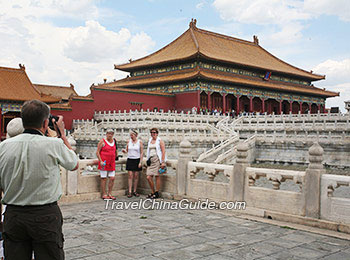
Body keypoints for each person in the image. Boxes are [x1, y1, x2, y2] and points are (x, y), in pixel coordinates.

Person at [0, 99, 78, 260]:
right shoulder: (53, 144)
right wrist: (62, 136)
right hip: (45, 215)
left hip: (13, 215)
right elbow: (74, 164)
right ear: (45, 122)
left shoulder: (3, 147)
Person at [96, 129, 117, 200]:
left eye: (111, 134)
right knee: (104, 178)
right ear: (106, 134)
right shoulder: (102, 141)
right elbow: (97, 152)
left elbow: (115, 150)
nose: (110, 135)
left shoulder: (114, 141)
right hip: (104, 162)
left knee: (112, 178)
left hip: (111, 162)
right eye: (108, 133)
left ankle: (110, 193)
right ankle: (104, 193)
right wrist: (100, 160)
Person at [146, 128, 166, 199]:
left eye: (154, 133)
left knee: (157, 176)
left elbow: (163, 151)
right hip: (151, 160)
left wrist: (162, 162)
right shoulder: (149, 141)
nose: (153, 134)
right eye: (151, 133)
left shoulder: (160, 141)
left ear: (157, 133)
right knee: (148, 177)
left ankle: (156, 192)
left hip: (157, 159)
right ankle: (153, 191)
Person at [122, 129, 143, 198]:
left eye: (132, 135)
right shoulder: (128, 141)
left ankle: (135, 190)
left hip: (137, 159)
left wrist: (140, 162)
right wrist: (124, 151)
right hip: (130, 159)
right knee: (130, 175)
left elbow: (141, 152)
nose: (131, 136)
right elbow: (127, 150)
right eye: (130, 135)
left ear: (136, 135)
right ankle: (130, 191)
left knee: (136, 176)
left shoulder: (140, 142)